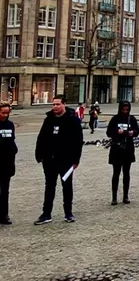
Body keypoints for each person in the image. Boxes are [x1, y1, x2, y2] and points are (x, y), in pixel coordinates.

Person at [34, 95, 83, 224]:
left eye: (58, 104)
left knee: (67, 186)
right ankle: (46, 214)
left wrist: (76, 160)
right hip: (49, 160)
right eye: (53, 104)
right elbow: (41, 138)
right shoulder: (48, 120)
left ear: (64, 104)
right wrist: (39, 155)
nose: (55, 107)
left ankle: (68, 213)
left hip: (66, 160)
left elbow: (78, 141)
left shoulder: (73, 120)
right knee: (49, 186)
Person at [106, 101, 139, 205]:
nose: (125, 111)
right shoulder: (115, 119)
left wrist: (132, 133)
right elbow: (108, 132)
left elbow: (137, 131)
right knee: (116, 174)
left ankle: (125, 196)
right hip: (116, 149)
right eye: (123, 109)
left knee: (126, 173)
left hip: (127, 149)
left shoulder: (132, 119)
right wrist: (117, 131)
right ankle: (114, 197)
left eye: (127, 110)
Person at [0, 101, 17, 225]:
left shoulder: (10, 125)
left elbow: (12, 141)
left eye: (7, 113)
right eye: (2, 113)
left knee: (5, 190)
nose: (5, 115)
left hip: (7, 163)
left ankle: (4, 215)